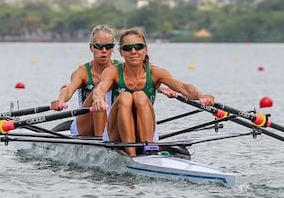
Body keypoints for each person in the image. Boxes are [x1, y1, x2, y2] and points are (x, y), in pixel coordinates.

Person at [90, 27, 213, 156]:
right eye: (128, 48)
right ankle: (132, 156)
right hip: (116, 136)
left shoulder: (156, 72)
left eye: (138, 47)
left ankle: (149, 150)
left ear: (145, 50)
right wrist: (98, 99)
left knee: (140, 96)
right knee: (125, 96)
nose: (133, 51)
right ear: (121, 52)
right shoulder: (112, 72)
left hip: (147, 133)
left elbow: (184, 88)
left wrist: (201, 95)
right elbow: (100, 89)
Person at [50, 24, 119, 137]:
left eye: (109, 46)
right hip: (84, 125)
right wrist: (60, 101)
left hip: (111, 121)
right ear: (91, 47)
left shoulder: (121, 68)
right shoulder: (83, 72)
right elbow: (68, 89)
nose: (104, 50)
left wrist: (158, 86)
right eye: (99, 46)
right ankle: (100, 140)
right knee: (98, 91)